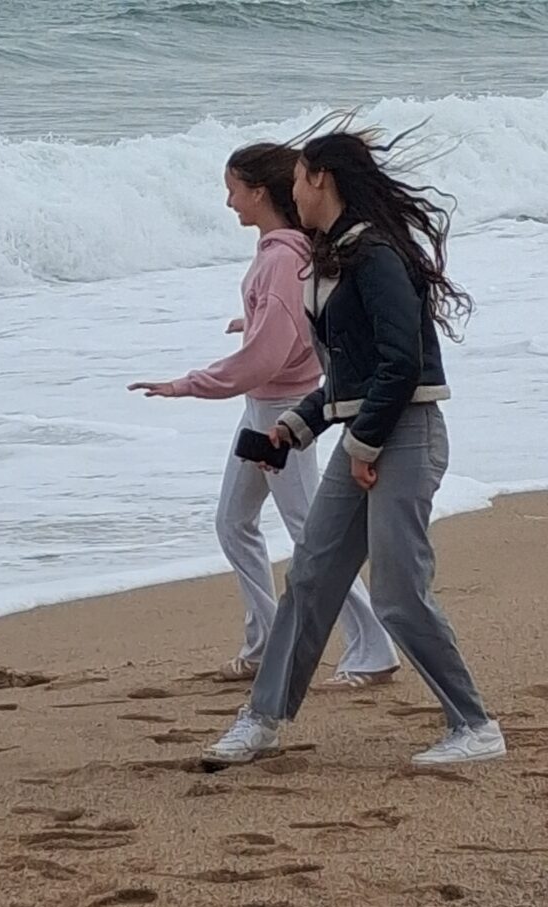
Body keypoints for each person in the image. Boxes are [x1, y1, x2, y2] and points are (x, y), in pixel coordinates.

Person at [202, 120, 505, 768]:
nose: (292, 189)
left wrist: (364, 445)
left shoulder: (375, 255)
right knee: (311, 576)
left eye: (299, 178)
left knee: (397, 592)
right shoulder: (331, 258)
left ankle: (475, 725)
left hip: (407, 435)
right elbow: (350, 375)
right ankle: (261, 720)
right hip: (368, 436)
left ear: (322, 180)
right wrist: (298, 425)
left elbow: (402, 364)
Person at [129, 143, 398, 686]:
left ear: (258, 192)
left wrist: (186, 385)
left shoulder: (281, 257)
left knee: (310, 534)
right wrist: (251, 322)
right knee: (234, 522)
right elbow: (290, 321)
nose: (228, 202)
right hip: (265, 407)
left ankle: (373, 648)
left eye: (233, 190)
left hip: (281, 414)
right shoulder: (286, 251)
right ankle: (264, 643)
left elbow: (263, 360)